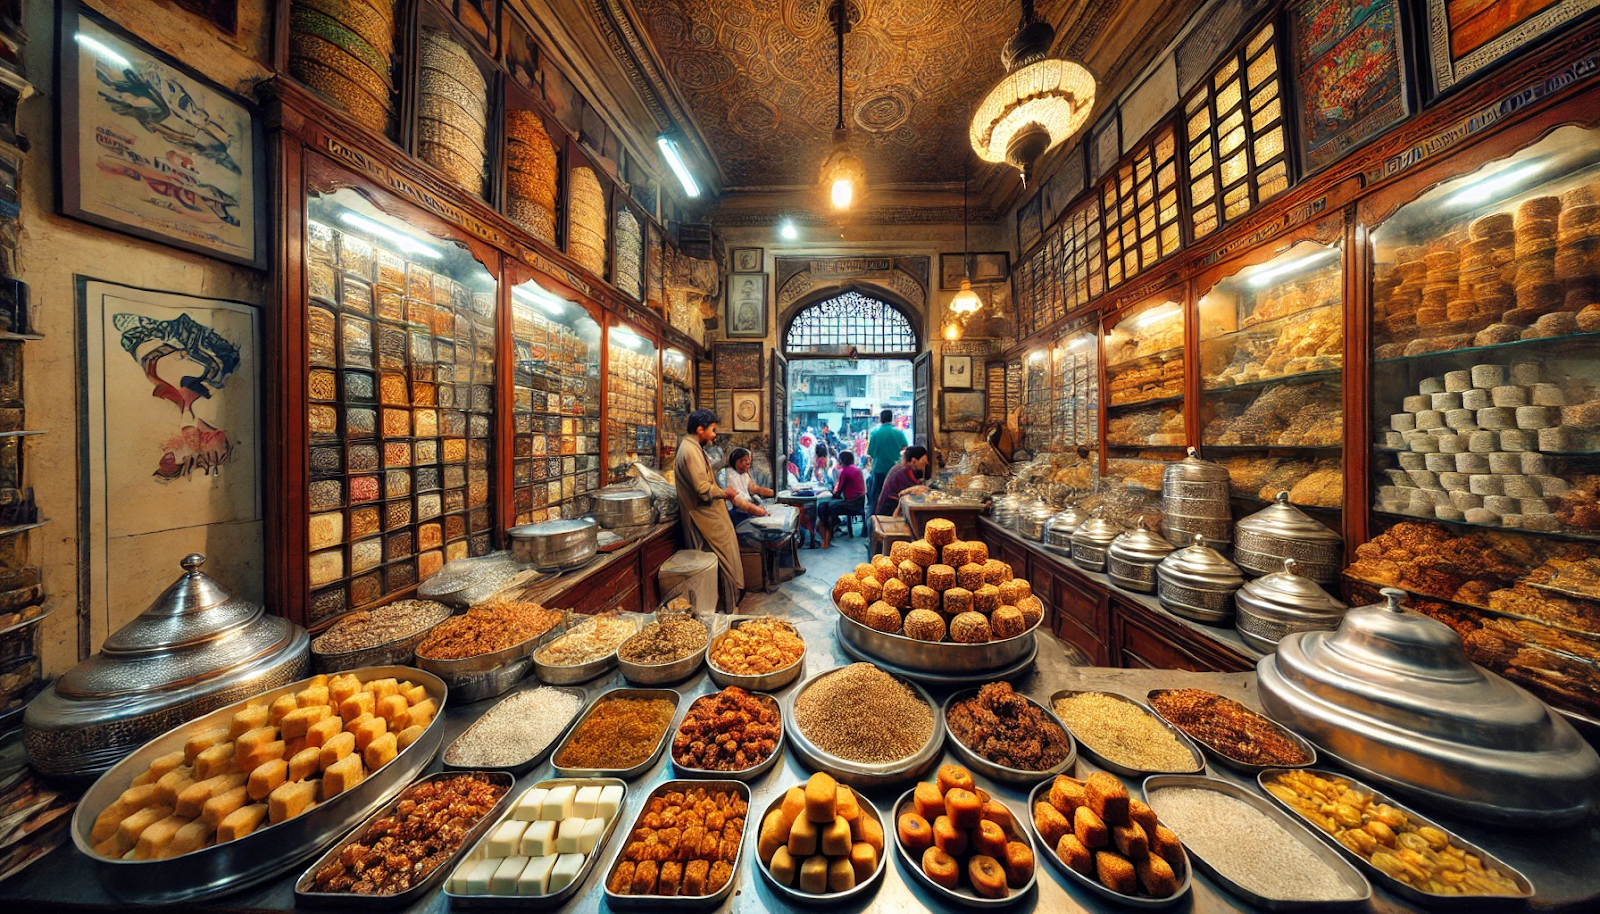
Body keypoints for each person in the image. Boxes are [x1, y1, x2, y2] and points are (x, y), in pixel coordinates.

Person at [674, 409, 743, 612]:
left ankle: (730, 605)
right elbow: (702, 489)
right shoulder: (689, 450)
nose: (714, 435)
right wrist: (725, 493)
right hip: (703, 518)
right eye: (712, 430)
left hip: (710, 515)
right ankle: (728, 609)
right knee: (724, 560)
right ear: (700, 429)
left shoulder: (694, 447)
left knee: (726, 557)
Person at [817, 450, 866, 549]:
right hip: (860, 502)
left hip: (851, 504)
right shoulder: (857, 469)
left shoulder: (845, 471)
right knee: (829, 505)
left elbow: (839, 491)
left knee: (823, 506)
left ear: (842, 461)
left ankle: (828, 531)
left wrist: (831, 493)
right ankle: (834, 524)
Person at [865, 408, 908, 516]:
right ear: (891, 418)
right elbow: (905, 447)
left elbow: (870, 452)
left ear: (880, 419)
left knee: (876, 498)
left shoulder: (875, 433)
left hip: (878, 469)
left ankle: (875, 521)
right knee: (894, 497)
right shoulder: (898, 432)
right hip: (894, 470)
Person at [875, 445, 931, 517]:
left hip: (894, 504)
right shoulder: (902, 472)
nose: (924, 466)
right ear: (913, 461)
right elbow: (905, 493)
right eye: (923, 463)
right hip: (888, 509)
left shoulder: (906, 467)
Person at [722, 447, 772, 525]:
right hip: (737, 512)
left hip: (747, 508)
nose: (748, 463)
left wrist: (773, 492)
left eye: (749, 460)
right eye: (745, 461)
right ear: (737, 462)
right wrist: (758, 511)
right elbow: (738, 501)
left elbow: (754, 488)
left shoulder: (745, 474)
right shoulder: (730, 475)